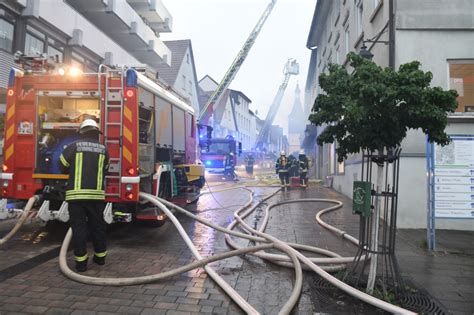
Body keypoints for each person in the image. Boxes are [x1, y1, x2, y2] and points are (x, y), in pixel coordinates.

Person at [59, 119, 109, 272]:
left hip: (76, 197)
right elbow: (105, 169)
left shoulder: (73, 146)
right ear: (96, 133)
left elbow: (63, 166)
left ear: (82, 132)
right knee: (98, 227)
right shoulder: (103, 149)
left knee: (79, 229)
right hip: (96, 196)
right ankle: (100, 258)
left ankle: (81, 264)